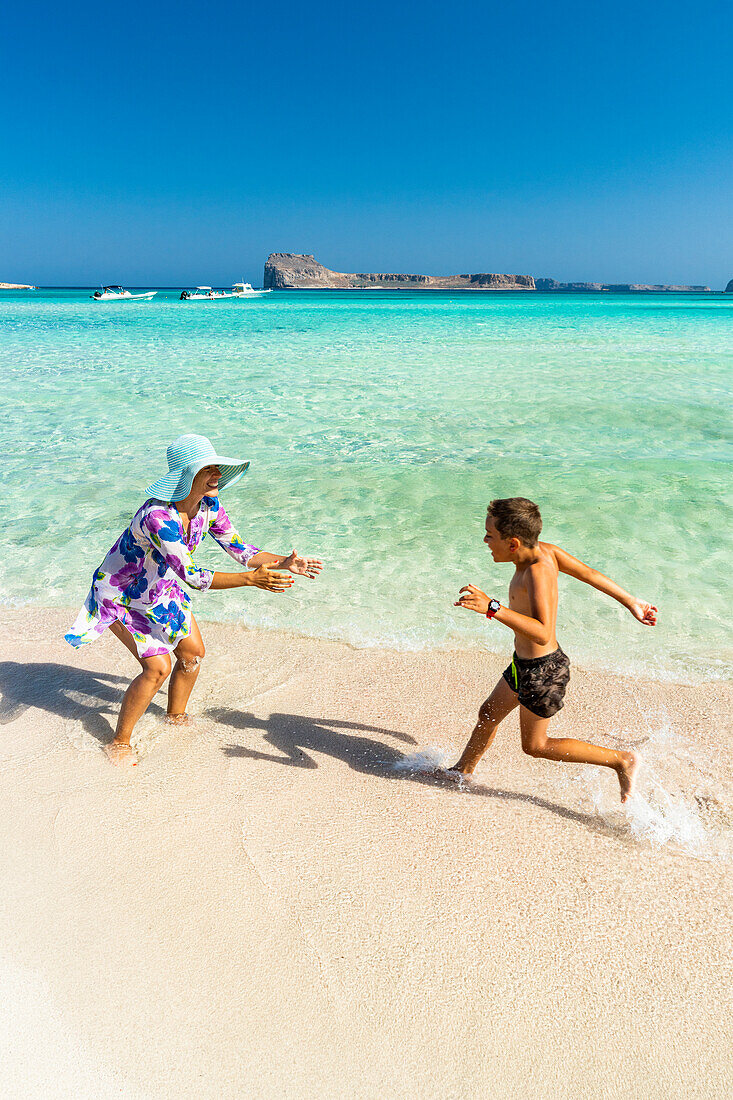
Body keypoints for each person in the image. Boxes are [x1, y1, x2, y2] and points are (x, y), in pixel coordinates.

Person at [65, 434, 322, 766]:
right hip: (121, 596)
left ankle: (174, 717)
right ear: (187, 474)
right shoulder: (157, 517)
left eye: (217, 468)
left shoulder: (208, 506)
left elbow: (242, 551)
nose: (216, 475)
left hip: (160, 591)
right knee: (157, 668)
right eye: (208, 469)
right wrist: (250, 581)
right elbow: (189, 573)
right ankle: (120, 741)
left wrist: (283, 561)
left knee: (192, 654)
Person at [445, 497, 657, 802]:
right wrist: (632, 602)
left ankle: (621, 760)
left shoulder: (536, 571)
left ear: (513, 543)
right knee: (488, 713)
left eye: (490, 535)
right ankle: (461, 772)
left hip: (543, 670)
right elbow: (591, 574)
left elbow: (543, 632)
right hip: (525, 664)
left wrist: (493, 608)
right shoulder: (547, 551)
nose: (485, 540)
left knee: (536, 746)